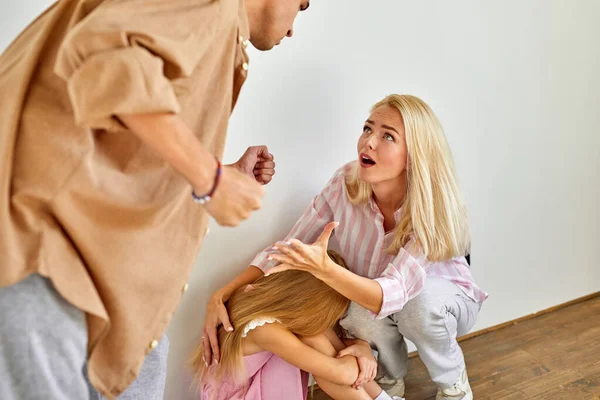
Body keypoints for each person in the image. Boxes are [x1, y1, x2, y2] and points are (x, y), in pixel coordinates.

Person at [0, 0, 311, 399]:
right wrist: (209, 178)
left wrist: (222, 172)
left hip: (95, 280)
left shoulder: (210, 26)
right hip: (50, 265)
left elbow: (117, 129)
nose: (292, 30)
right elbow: (105, 59)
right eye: (302, 6)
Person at [203, 94, 488, 400]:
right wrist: (222, 294)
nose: (369, 142)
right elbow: (289, 247)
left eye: (387, 136)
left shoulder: (428, 208)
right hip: (377, 295)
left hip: (440, 299)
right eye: (368, 129)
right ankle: (389, 379)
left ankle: (452, 382)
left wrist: (325, 270)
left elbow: (393, 293)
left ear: (414, 156)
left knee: (417, 305)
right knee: (353, 306)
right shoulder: (345, 183)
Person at [192, 251, 403, 400]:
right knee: (314, 338)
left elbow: (337, 359)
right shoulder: (266, 330)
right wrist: (353, 359)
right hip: (241, 396)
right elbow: (341, 373)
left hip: (251, 385)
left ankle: (381, 398)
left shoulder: (253, 296)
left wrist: (362, 349)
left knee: (314, 336)